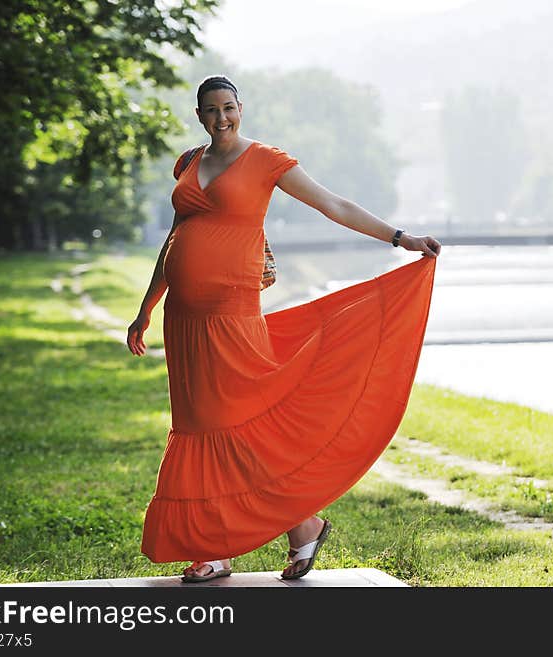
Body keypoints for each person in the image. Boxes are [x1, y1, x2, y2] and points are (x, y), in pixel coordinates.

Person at [127, 74, 441, 583]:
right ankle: (223, 546)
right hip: (183, 319)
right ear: (199, 115)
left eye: (228, 107)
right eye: (210, 110)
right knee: (202, 427)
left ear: (241, 109)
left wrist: (400, 237)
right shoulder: (188, 162)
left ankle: (299, 525)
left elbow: (332, 205)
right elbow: (175, 238)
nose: (221, 118)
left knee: (240, 422)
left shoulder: (267, 160)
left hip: (233, 313)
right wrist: (147, 307)